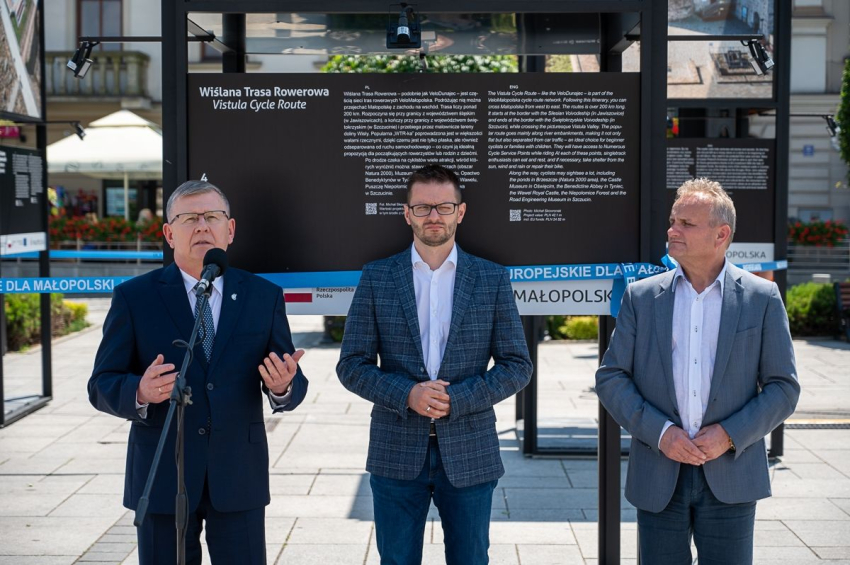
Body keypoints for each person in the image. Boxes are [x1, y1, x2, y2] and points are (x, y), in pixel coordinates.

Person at [88, 180, 309, 565]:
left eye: (212, 217)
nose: (202, 226)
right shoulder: (134, 297)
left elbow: (288, 374)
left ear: (231, 229)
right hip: (162, 478)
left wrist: (283, 387)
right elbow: (101, 383)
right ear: (170, 233)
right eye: (189, 218)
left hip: (238, 476)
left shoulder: (263, 296)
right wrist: (139, 391)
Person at [596, 178, 800, 565]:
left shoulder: (761, 298)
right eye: (673, 221)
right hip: (659, 475)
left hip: (732, 473)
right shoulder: (642, 296)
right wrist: (662, 433)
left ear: (721, 234)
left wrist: (729, 435)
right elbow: (611, 377)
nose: (672, 230)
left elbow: (783, 388)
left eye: (687, 224)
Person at [337, 164, 532, 565]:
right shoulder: (377, 277)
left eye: (444, 207)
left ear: (461, 212)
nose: (433, 216)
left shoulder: (491, 278)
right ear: (407, 213)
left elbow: (517, 364)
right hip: (395, 449)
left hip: (470, 449)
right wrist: (407, 393)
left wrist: (456, 399)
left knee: (471, 559)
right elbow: (352, 364)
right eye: (423, 207)